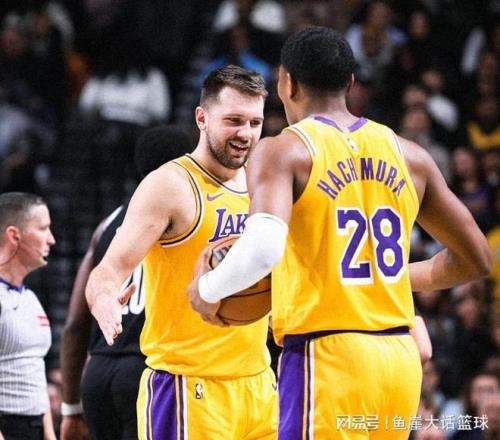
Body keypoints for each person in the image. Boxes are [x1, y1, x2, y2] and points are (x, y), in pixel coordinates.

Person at [187, 27, 491, 439]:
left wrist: (208, 289)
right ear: (350, 83)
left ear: (287, 82)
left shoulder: (284, 149)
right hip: (399, 363)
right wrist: (385, 277)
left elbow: (262, 249)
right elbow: (476, 259)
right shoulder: (410, 155)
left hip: (329, 358)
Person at [85, 65, 277, 440]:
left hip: (258, 383)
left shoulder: (264, 183)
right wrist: (104, 298)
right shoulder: (169, 185)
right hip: (188, 386)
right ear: (201, 118)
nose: (245, 133)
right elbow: (108, 270)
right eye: (233, 120)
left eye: (254, 123)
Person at [59, 125, 191, 440]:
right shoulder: (188, 214)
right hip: (147, 370)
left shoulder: (107, 224)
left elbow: (75, 323)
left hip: (99, 373)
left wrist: (71, 407)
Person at [0, 192, 57, 440]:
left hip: (34, 427)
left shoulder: (30, 298)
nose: (52, 239)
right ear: (14, 235)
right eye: (43, 229)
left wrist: (49, 434)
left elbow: (36, 372)